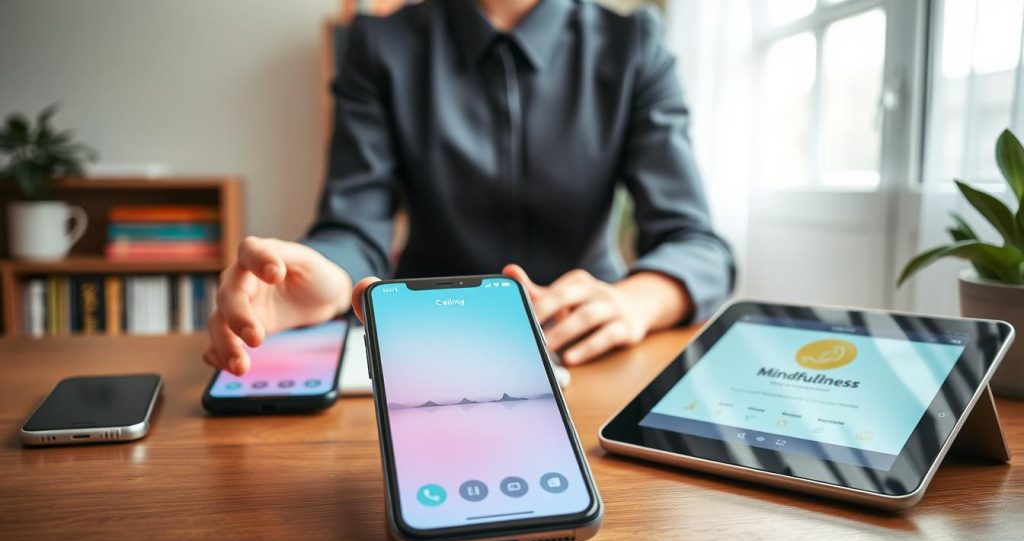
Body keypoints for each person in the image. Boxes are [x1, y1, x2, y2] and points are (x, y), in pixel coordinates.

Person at [203, 0, 734, 375]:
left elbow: (698, 246)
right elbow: (354, 226)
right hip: (425, 347)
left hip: (587, 348)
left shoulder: (633, 44)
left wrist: (635, 303)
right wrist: (324, 282)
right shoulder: (380, 44)